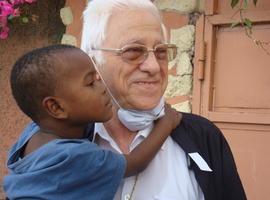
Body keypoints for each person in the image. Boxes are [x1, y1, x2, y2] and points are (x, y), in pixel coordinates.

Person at [80, 0, 247, 200]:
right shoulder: (61, 139)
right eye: (133, 51)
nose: (153, 67)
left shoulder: (204, 137)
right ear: (93, 60)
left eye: (161, 52)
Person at [3, 44, 181, 200]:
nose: (103, 87)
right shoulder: (75, 156)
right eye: (90, 83)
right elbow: (135, 163)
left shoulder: (32, 133)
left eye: (98, 77)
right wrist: (166, 123)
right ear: (56, 107)